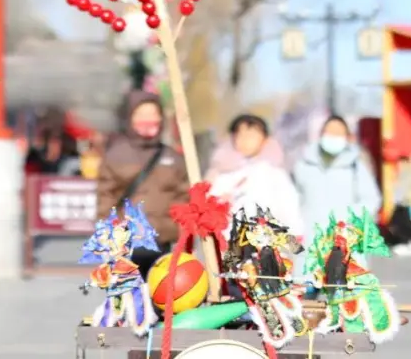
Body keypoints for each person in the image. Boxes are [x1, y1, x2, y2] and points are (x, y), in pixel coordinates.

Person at [96, 91, 188, 277]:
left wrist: (180, 232)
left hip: (163, 243)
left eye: (153, 114)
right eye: (141, 114)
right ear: (130, 118)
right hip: (126, 243)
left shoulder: (173, 157)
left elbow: (184, 197)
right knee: (129, 300)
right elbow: (105, 197)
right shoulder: (115, 155)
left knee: (162, 299)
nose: (148, 120)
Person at [206, 114, 302, 237]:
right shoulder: (221, 174)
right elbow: (208, 206)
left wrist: (294, 232)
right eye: (240, 135)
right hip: (228, 242)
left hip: (266, 242)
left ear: (265, 139)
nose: (245, 140)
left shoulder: (275, 174)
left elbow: (289, 206)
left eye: (251, 135)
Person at [293, 114, 382, 237]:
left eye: (338, 133)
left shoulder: (356, 166)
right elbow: (293, 200)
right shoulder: (304, 165)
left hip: (345, 241)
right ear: (321, 135)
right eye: (330, 132)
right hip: (311, 240)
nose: (333, 137)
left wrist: (351, 223)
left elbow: (371, 200)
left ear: (347, 137)